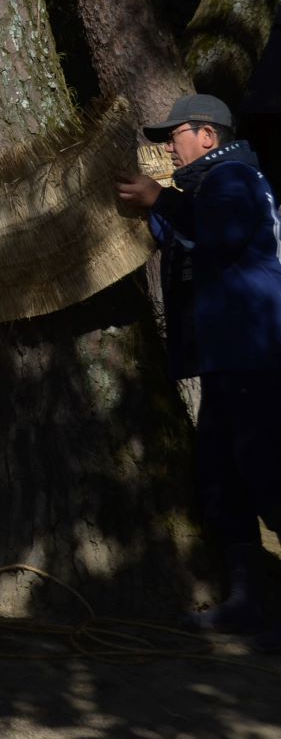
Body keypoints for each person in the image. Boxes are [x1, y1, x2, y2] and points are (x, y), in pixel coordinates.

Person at [116, 94, 281, 650]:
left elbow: (223, 234)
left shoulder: (233, 176)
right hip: (228, 355)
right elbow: (187, 236)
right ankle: (248, 603)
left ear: (207, 136)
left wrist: (159, 195)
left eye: (176, 134)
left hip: (253, 354)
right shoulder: (211, 186)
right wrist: (157, 207)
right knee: (222, 477)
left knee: (266, 474)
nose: (169, 145)